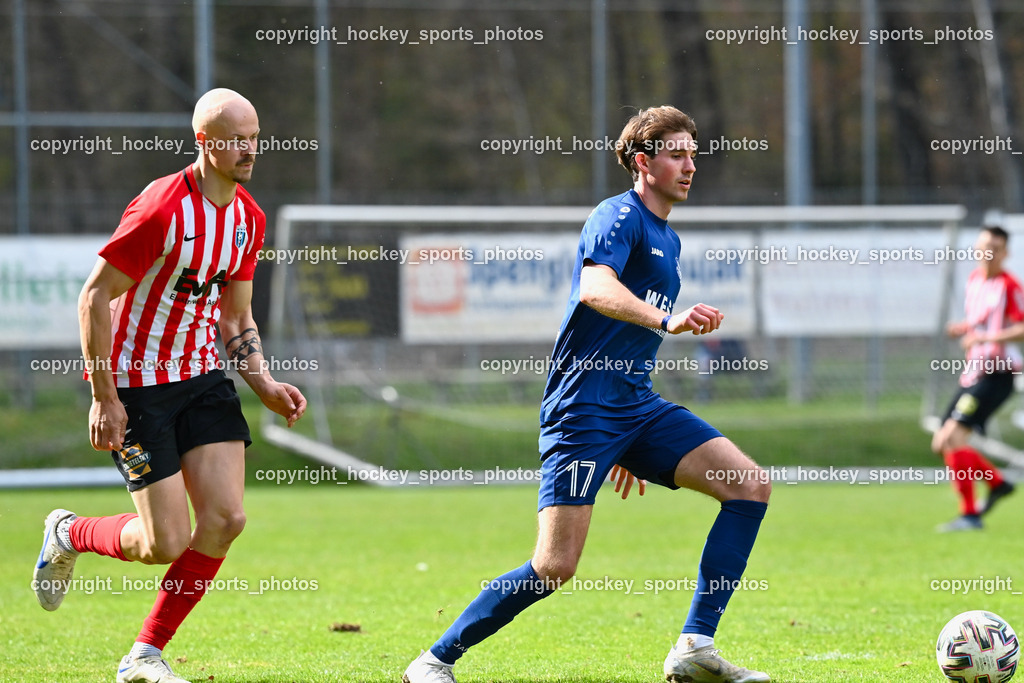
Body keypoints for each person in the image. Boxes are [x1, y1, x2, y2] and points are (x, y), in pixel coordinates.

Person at [403, 106, 771, 683]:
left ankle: (694, 646)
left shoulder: (668, 238)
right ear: (642, 162)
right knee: (555, 566)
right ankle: (432, 661)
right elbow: (596, 287)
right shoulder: (616, 215)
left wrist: (626, 441)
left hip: (633, 408)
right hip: (582, 413)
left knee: (749, 485)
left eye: (693, 152)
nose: (690, 164)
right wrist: (666, 321)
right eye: (676, 153)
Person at [32, 88, 307, 683]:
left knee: (226, 519)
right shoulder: (162, 208)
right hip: (136, 387)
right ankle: (70, 531)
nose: (249, 150)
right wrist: (104, 397)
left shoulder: (247, 218)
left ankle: (144, 654)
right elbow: (95, 296)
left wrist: (262, 383)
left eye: (255, 138)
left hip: (203, 378)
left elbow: (236, 317)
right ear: (204, 143)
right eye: (236, 140)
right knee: (164, 542)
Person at [931, 223, 1020, 532]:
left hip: (997, 375)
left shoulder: (1010, 286)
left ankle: (970, 515)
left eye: (996, 248)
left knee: (952, 438)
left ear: (1005, 253)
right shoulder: (974, 280)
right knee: (942, 441)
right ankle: (996, 484)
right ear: (976, 248)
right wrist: (965, 328)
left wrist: (985, 338)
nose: (989, 252)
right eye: (985, 246)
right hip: (973, 373)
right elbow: (978, 323)